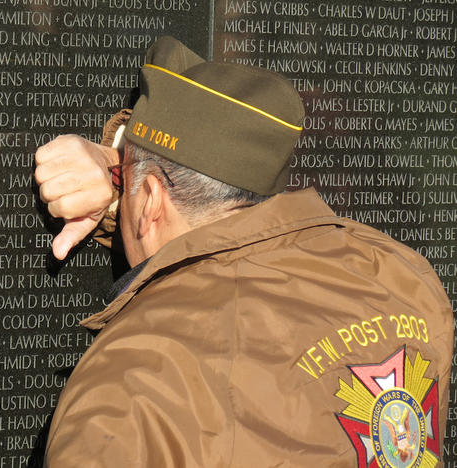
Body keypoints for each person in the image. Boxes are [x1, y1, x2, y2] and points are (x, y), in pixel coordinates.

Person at [34, 36, 453, 467]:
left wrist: (132, 178)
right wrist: (133, 177)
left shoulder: (129, 385)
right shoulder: (402, 274)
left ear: (152, 201)